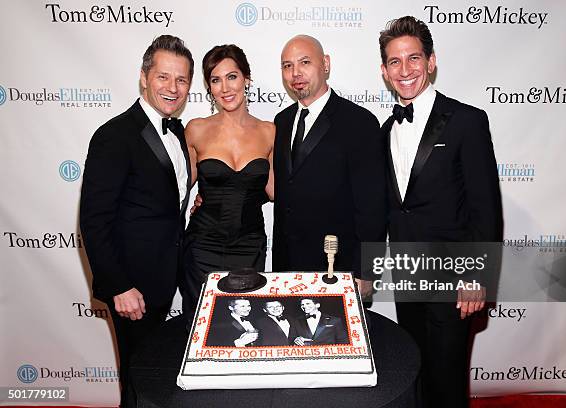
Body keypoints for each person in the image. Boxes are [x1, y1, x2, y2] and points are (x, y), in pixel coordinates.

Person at [378, 16, 503, 408]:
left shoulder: (467, 121)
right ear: (384, 70)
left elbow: (486, 206)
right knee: (416, 376)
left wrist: (476, 275)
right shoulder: (385, 130)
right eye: (395, 62)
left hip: (454, 280)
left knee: (447, 383)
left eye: (413, 58)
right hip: (408, 275)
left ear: (431, 61)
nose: (405, 70)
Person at [80, 35, 193, 407]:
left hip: (165, 279)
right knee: (136, 380)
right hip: (133, 289)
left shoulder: (177, 130)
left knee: (153, 379)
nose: (172, 88)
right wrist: (120, 286)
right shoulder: (115, 135)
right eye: (163, 77)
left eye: (181, 79)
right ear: (144, 77)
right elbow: (95, 220)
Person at [273, 35, 387, 296]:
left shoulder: (359, 122)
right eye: (287, 66)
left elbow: (373, 208)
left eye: (304, 62)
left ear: (325, 64)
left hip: (338, 269)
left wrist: (366, 272)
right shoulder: (280, 122)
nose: (295, 73)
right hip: (286, 269)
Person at [181, 44, 275, 327]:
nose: (225, 87)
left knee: (244, 332)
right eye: (215, 80)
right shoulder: (195, 129)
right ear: (209, 86)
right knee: (202, 330)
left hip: (249, 247)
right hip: (202, 246)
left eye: (232, 76)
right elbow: (174, 185)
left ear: (247, 78)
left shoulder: (269, 131)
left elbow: (278, 191)